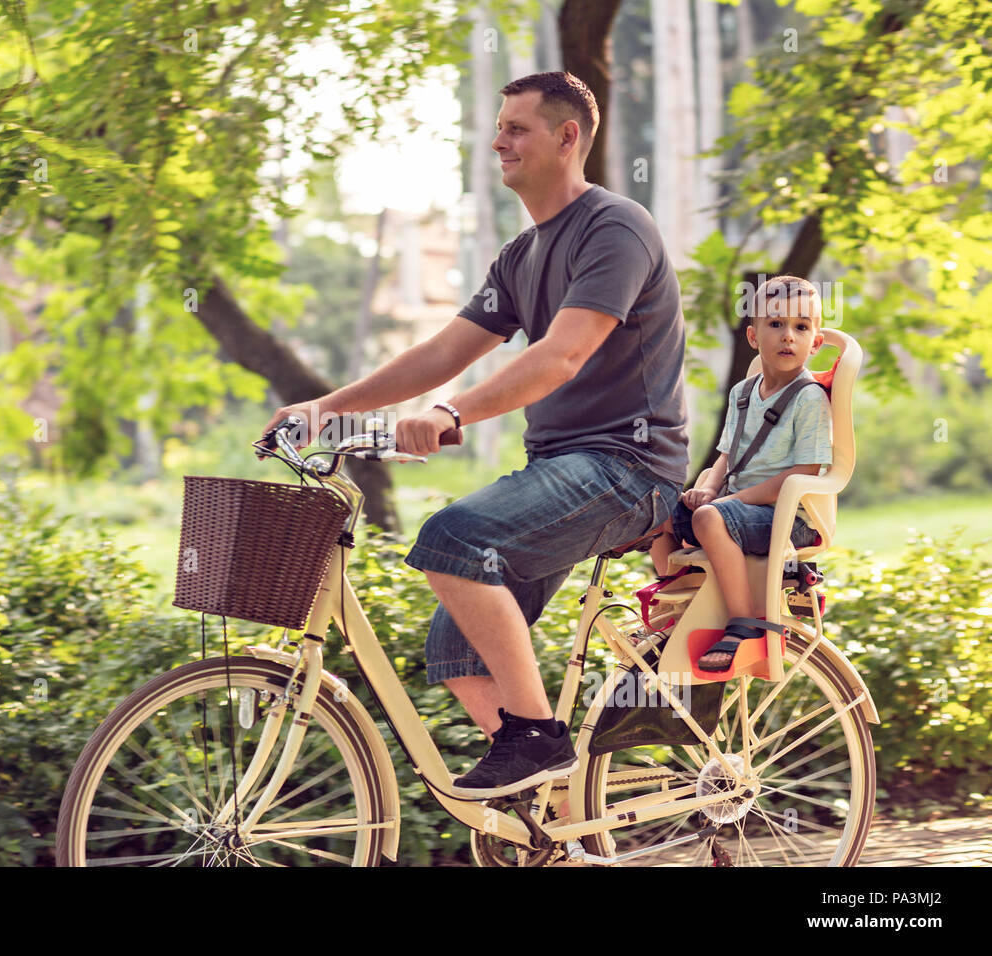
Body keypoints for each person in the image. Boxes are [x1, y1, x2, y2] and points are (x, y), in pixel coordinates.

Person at [262, 71, 688, 796]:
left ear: (567, 136)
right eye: (499, 128)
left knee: (454, 539)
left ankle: (538, 740)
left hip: (628, 469)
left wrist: (452, 414)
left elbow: (563, 354)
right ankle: (540, 810)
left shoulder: (614, 228)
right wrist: (325, 407)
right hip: (560, 470)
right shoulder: (521, 257)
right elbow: (441, 353)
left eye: (516, 128)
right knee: (454, 648)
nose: (498, 141)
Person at [646, 275, 832, 670]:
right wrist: (709, 489)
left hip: (787, 516)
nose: (788, 337)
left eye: (801, 327)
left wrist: (727, 502)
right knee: (658, 507)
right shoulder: (742, 394)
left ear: (815, 342)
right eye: (776, 324)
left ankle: (744, 622)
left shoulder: (809, 397)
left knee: (711, 518)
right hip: (733, 508)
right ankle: (676, 600)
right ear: (753, 336)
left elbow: (804, 473)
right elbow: (726, 459)